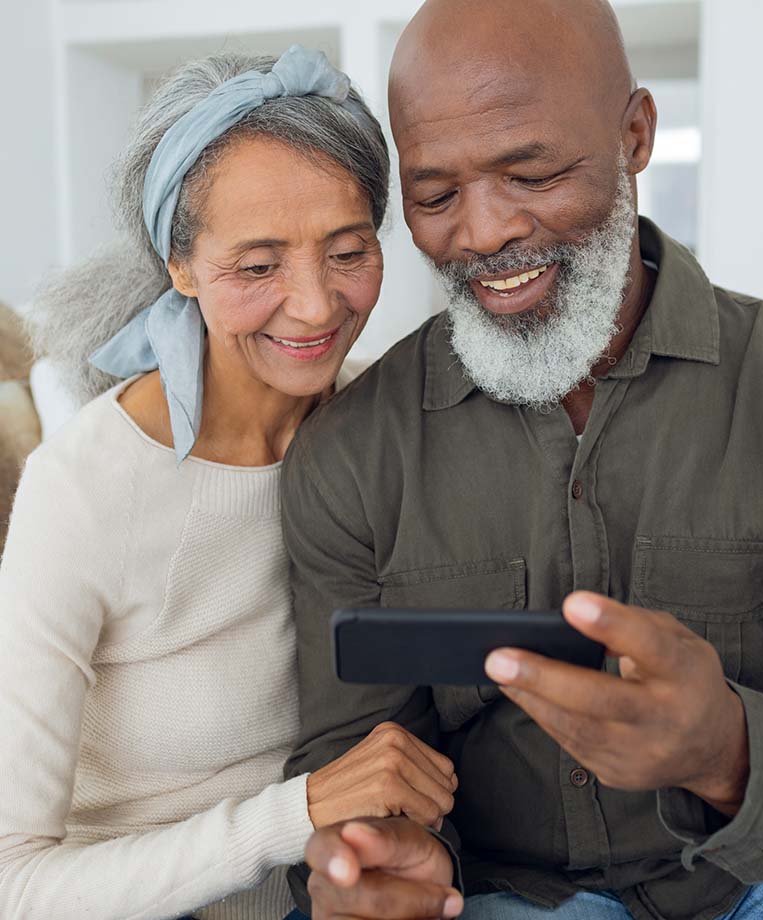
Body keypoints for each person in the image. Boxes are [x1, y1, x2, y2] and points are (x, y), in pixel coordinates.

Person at [281, 2, 763, 919]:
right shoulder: (350, 455)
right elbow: (363, 764)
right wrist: (389, 865)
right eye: (434, 197)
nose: (486, 231)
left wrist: (727, 753)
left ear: (635, 135)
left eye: (532, 172)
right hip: (507, 897)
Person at [0, 46, 458, 920]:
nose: (317, 305)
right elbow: (13, 884)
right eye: (257, 266)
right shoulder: (84, 492)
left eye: (348, 250)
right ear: (180, 266)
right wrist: (300, 813)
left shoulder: (383, 429)